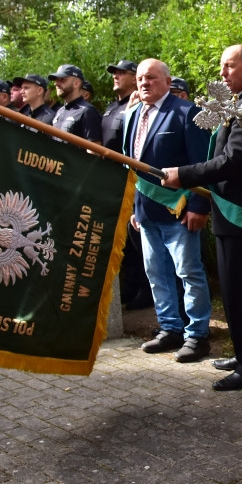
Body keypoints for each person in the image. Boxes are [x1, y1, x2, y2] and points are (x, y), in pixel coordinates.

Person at [161, 44, 242, 392]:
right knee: (233, 292)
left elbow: (235, 161)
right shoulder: (239, 104)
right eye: (222, 66)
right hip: (229, 216)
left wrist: (185, 173)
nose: (222, 73)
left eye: (230, 66)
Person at [122, 59, 213, 363]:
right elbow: (133, 165)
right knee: (156, 274)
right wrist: (135, 207)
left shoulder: (187, 113)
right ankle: (169, 328)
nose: (144, 83)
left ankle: (197, 335)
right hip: (146, 212)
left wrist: (200, 206)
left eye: (150, 77)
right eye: (139, 79)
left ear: (167, 81)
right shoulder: (134, 114)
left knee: (189, 273)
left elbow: (201, 164)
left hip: (180, 211)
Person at [101, 59, 152, 310]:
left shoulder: (141, 104)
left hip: (136, 182)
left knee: (139, 237)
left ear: (135, 78)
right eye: (114, 72)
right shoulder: (112, 108)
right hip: (112, 182)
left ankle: (145, 292)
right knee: (125, 241)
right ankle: (131, 290)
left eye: (122, 73)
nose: (116, 76)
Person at [47, 64, 102, 143]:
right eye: (56, 80)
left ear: (76, 83)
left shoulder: (87, 111)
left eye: (62, 80)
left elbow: (94, 151)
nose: (56, 84)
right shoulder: (59, 112)